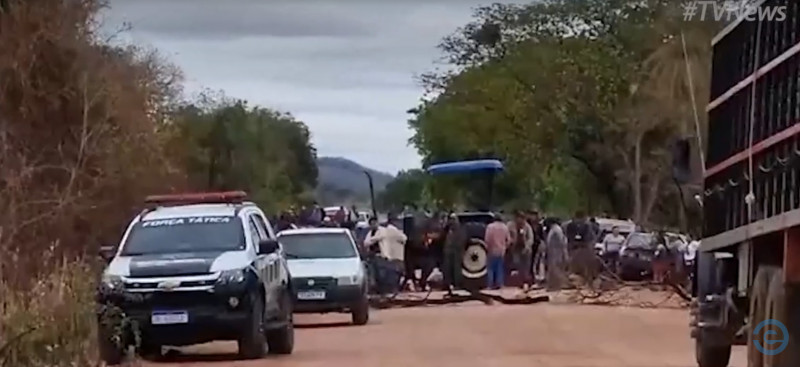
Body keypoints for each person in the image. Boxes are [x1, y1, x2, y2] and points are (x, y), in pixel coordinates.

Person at [364, 216, 407, 294]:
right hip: (372, 256)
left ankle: (386, 290)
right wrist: (373, 240)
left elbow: (380, 236)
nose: (374, 225)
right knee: (375, 274)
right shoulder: (370, 233)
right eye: (372, 224)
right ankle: (379, 290)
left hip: (382, 255)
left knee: (383, 274)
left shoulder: (383, 230)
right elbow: (366, 243)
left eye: (375, 223)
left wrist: (372, 239)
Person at [565, 211, 598, 286]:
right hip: (574, 247)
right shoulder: (570, 226)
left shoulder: (587, 226)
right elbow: (569, 236)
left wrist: (587, 244)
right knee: (573, 264)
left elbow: (589, 237)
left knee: (586, 265)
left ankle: (588, 280)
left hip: (584, 247)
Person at [507, 211, 535, 291]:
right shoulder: (510, 225)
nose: (520, 220)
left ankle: (525, 282)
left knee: (526, 266)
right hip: (515, 248)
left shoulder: (527, 226)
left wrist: (527, 247)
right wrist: (511, 241)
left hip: (525, 249)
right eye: (519, 218)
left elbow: (530, 238)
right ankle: (517, 281)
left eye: (522, 218)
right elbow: (507, 235)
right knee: (516, 264)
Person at [484, 214, 511, 290]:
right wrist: (505, 247)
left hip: (492, 250)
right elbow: (509, 240)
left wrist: (487, 247)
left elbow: (487, 239)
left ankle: (490, 285)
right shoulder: (505, 227)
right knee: (500, 268)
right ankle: (499, 284)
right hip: (501, 250)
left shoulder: (490, 227)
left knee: (490, 268)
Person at [442, 213, 466, 294]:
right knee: (447, 268)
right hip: (449, 251)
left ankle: (457, 284)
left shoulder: (459, 229)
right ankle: (448, 284)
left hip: (456, 251)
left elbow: (462, 240)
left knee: (456, 268)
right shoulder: (448, 229)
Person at [544, 218, 569, 291]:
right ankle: (553, 285)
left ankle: (557, 286)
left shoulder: (557, 230)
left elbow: (562, 242)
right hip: (553, 252)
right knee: (552, 269)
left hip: (557, 252)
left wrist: (564, 253)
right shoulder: (553, 229)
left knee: (556, 269)